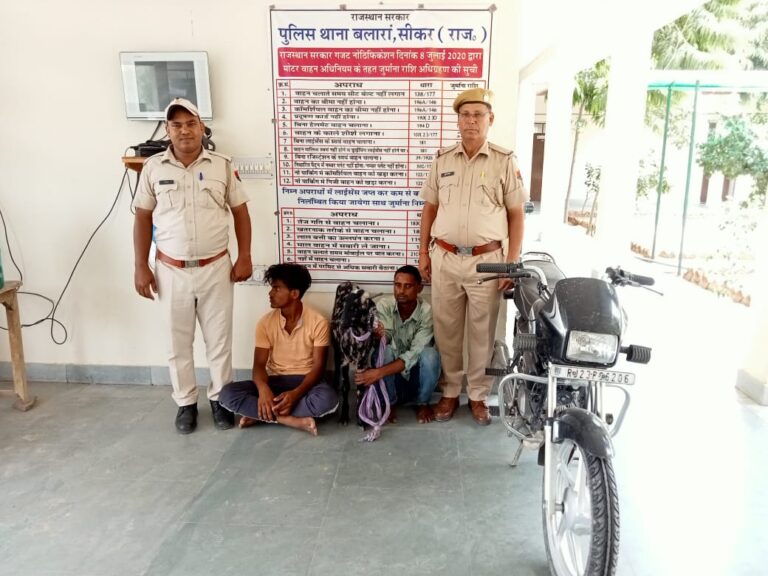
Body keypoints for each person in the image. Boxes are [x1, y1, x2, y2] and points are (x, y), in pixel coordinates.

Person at [133, 98, 252, 434]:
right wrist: (140, 265)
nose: (184, 130)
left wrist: (245, 256)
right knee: (177, 343)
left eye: (190, 123)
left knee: (219, 341)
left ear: (202, 127)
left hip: (216, 267)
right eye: (176, 125)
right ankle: (185, 403)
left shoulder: (222, 165)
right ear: (167, 131)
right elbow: (142, 217)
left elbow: (241, 212)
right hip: (170, 270)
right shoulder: (153, 168)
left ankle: (221, 399)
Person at [418, 88, 528, 426]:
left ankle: (478, 395)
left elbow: (516, 214)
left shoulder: (504, 161)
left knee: (482, 333)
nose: (471, 121)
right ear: (458, 120)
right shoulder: (443, 160)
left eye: (478, 115)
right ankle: (451, 392)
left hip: (488, 261)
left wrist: (511, 261)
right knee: (447, 330)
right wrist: (423, 253)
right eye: (465, 115)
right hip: (446, 257)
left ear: (490, 119)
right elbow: (430, 207)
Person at [218, 263, 338, 436]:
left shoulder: (318, 322)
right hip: (274, 381)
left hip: (305, 383)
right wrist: (263, 390)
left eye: (276, 288)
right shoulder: (265, 323)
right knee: (227, 394)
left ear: (294, 294)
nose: (270, 293)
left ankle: (262, 415)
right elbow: (259, 365)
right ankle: (291, 420)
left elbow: (318, 368)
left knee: (328, 399)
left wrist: (295, 395)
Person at [354, 265, 441, 424]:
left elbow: (415, 353)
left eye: (408, 286)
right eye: (397, 285)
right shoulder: (384, 305)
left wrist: (378, 373)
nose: (401, 291)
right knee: (384, 351)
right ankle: (389, 402)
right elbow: (385, 340)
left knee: (431, 356)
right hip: (392, 380)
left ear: (419, 288)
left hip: (415, 380)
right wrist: (378, 335)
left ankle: (422, 403)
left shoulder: (426, 312)